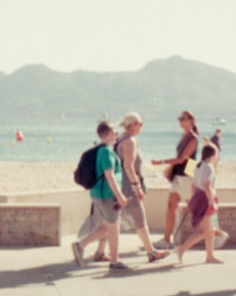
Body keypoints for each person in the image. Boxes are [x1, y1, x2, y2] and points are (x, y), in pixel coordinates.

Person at [70, 121, 130, 272]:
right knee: (109, 226)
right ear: (109, 134)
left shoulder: (99, 150)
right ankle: (81, 245)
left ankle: (115, 261)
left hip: (98, 194)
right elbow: (109, 175)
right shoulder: (107, 152)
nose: (116, 136)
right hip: (108, 196)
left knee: (113, 226)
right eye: (115, 133)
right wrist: (120, 195)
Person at [114, 112, 169, 263]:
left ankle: (98, 251)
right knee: (140, 220)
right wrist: (136, 186)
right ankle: (151, 252)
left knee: (110, 222)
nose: (142, 126)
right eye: (140, 123)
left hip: (119, 185)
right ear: (132, 125)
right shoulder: (130, 141)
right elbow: (128, 166)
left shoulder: (119, 139)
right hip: (128, 186)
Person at [151, 110, 199, 249]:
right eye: (180, 118)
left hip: (186, 176)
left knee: (194, 207)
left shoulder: (193, 138)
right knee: (171, 206)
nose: (180, 121)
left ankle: (212, 231)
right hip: (178, 176)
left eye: (183, 119)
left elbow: (183, 159)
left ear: (191, 120)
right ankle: (166, 240)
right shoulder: (184, 136)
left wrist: (161, 162)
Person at [176, 144, 224, 264]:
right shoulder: (209, 167)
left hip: (198, 197)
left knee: (210, 230)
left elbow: (193, 185)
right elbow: (207, 185)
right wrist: (213, 203)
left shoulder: (198, 166)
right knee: (206, 231)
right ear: (213, 155)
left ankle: (210, 256)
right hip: (206, 199)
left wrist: (194, 200)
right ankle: (182, 249)